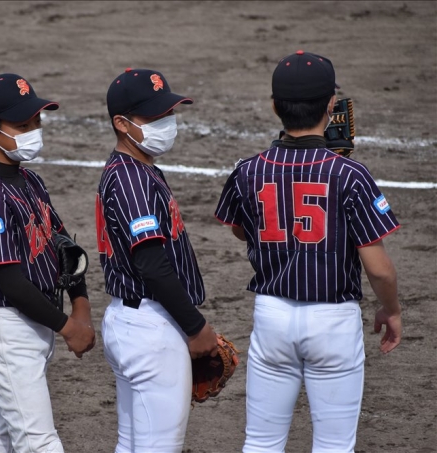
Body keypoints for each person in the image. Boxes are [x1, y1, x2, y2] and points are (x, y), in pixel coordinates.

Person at [214, 50, 402, 453]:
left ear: (274, 106)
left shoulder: (248, 170)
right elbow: (379, 269)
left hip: (272, 319)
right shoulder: (350, 174)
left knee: (261, 443)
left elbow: (239, 230)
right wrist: (392, 310)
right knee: (334, 446)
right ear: (331, 106)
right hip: (333, 322)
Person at [0, 73, 96, 453]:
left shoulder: (31, 181)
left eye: (36, 121)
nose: (34, 130)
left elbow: (66, 247)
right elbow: (10, 282)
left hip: (35, 322)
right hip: (8, 329)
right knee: (39, 442)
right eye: (22, 125)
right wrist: (68, 327)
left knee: (6, 439)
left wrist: (81, 305)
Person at [95, 68, 219, 453]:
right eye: (155, 116)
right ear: (122, 124)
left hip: (134, 321)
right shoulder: (132, 179)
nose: (167, 122)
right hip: (151, 326)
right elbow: (151, 263)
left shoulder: (135, 169)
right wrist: (195, 327)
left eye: (169, 112)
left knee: (133, 443)